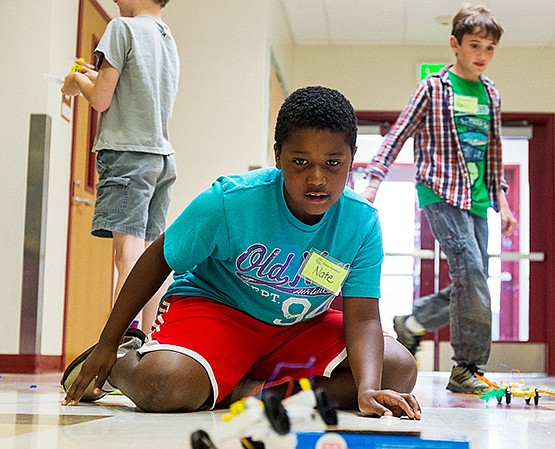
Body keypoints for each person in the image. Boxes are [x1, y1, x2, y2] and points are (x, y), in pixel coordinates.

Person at [61, 86, 422, 420]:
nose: (317, 178)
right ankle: (125, 360)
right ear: (278, 155)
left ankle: (246, 390)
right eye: (300, 162)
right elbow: (159, 257)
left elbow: (363, 318)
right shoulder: (229, 201)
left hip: (296, 328)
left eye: (332, 163)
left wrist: (368, 388)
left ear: (351, 159)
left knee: (397, 369)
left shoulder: (361, 223)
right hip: (217, 313)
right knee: (165, 385)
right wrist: (108, 342)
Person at [361, 4, 516, 394]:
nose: (482, 55)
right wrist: (373, 181)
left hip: (478, 200)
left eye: (490, 48)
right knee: (471, 274)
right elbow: (398, 134)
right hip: (441, 192)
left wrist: (504, 204)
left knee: (473, 282)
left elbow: (494, 152)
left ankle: (410, 323)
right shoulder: (434, 88)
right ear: (455, 44)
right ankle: (466, 368)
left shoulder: (491, 93)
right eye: (475, 45)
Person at [61, 0, 180, 332]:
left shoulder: (120, 28)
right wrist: (96, 77)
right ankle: (144, 343)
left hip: (128, 156)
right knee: (150, 261)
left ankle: (118, 346)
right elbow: (135, 92)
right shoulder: (167, 39)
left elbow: (101, 99)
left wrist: (76, 83)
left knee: (127, 255)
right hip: (161, 158)